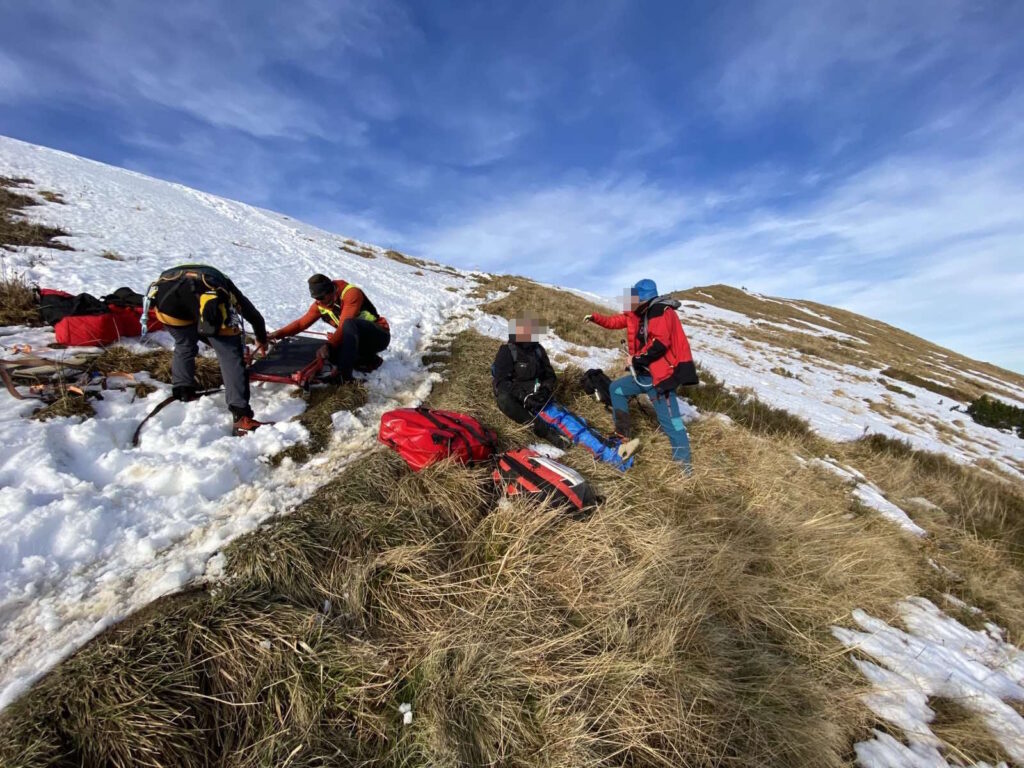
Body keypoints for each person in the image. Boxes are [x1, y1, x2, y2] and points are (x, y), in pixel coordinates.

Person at [492, 314, 638, 470]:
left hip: (544, 397)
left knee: (576, 420)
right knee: (566, 424)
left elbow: (549, 375)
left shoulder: (538, 350)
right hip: (528, 403)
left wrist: (546, 389)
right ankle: (615, 459)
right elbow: (501, 382)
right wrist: (525, 396)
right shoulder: (507, 351)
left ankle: (610, 444)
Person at [585, 279, 697, 475]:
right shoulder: (641, 312)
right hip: (644, 375)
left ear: (644, 298)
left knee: (673, 424)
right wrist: (596, 318)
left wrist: (635, 358)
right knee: (617, 389)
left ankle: (684, 471)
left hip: (661, 378)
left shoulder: (660, 311)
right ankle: (622, 435)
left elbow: (659, 344)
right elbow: (617, 322)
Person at [147, 264, 269, 436]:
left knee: (184, 344)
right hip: (206, 303)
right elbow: (254, 317)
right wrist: (262, 339)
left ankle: (183, 390)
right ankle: (241, 417)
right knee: (230, 355)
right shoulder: (224, 285)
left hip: (167, 302)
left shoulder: (176, 275)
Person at [268, 274, 390, 383]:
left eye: (321, 297)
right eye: (316, 298)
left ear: (331, 291)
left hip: (378, 336)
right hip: (358, 341)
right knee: (328, 354)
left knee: (347, 326)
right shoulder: (321, 304)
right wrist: (277, 334)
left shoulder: (351, 293)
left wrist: (329, 345)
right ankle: (369, 360)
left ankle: (345, 377)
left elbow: (344, 325)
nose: (318, 301)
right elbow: (301, 324)